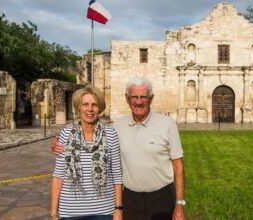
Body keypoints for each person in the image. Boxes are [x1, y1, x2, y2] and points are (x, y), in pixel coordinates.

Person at [52, 77, 186, 220]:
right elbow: (60, 173)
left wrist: (180, 203)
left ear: (151, 99)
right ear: (127, 99)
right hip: (130, 199)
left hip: (162, 197)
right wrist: (56, 143)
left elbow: (178, 167)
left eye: (143, 97)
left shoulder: (167, 124)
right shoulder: (116, 127)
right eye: (134, 97)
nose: (139, 101)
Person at [50, 86, 123, 220]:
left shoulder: (111, 135)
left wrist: (118, 208)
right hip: (71, 212)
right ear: (79, 107)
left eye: (94, 105)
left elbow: (117, 175)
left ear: (99, 108)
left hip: (104, 211)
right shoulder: (66, 134)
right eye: (85, 104)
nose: (90, 109)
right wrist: (54, 213)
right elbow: (58, 175)